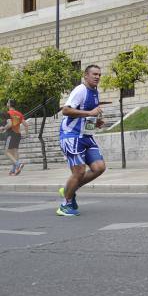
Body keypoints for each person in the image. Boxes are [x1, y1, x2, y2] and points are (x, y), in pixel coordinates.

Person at [57, 65, 107, 217]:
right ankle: (65, 204)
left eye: (99, 74)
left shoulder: (94, 91)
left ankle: (69, 189)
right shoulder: (80, 90)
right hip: (71, 136)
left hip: (86, 135)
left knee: (99, 167)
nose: (97, 77)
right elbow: (66, 110)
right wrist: (90, 113)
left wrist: (95, 122)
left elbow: (87, 115)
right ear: (86, 75)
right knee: (79, 172)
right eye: (94, 74)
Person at [4, 100, 30, 175]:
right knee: (14, 151)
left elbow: (9, 124)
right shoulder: (19, 113)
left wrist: (3, 128)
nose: (7, 103)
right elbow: (26, 125)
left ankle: (18, 164)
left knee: (6, 152)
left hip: (11, 134)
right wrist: (26, 134)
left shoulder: (8, 113)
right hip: (18, 134)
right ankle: (13, 169)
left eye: (7, 102)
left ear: (9, 104)